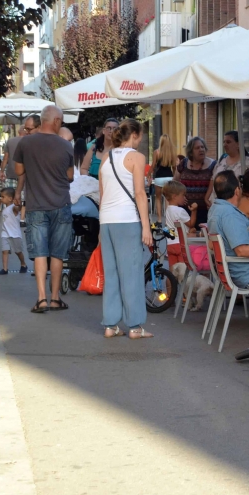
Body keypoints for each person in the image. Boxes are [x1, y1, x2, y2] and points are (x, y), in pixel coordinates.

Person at [13, 105, 74, 313]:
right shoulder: (66, 146)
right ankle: (55, 298)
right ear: (56, 121)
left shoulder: (25, 143)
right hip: (61, 204)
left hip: (36, 205)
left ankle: (41, 299)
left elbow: (19, 170)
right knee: (57, 254)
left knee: (40, 253)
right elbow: (70, 176)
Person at [97, 118, 153, 339]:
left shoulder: (105, 157)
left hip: (107, 220)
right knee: (131, 274)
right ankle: (135, 326)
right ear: (135, 135)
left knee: (111, 274)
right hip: (127, 220)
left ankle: (110, 324)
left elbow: (102, 195)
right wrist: (146, 227)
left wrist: (102, 226)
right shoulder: (136, 157)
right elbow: (140, 193)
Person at [205, 130, 249, 207]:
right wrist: (207, 198)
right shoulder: (221, 160)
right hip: (217, 204)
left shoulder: (248, 162)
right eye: (224, 142)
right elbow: (213, 179)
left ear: (238, 144)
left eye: (228, 142)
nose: (225, 145)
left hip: (238, 206)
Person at [174, 136, 215, 228]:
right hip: (185, 210)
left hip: (205, 211)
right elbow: (174, 183)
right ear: (191, 152)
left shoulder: (213, 165)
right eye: (197, 148)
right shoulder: (184, 163)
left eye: (202, 147)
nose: (201, 150)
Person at [163, 180, 197, 267]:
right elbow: (191, 224)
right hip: (181, 245)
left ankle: (170, 281)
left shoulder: (168, 210)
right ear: (174, 196)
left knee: (173, 271)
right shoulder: (180, 211)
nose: (184, 197)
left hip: (171, 244)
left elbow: (170, 227)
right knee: (182, 270)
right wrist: (194, 211)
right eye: (182, 195)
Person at [0, 188, 28, 274]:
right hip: (5, 233)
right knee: (4, 251)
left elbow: (17, 208)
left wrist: (19, 205)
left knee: (18, 252)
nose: (1, 198)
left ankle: (23, 264)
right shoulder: (5, 208)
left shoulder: (12, 208)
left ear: (10, 198)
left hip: (15, 234)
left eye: (3, 197)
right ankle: (5, 269)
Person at [151, 134, 177, 218]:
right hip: (169, 177)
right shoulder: (172, 153)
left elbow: (153, 166)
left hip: (159, 177)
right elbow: (174, 167)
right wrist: (174, 178)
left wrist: (148, 175)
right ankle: (167, 221)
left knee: (158, 199)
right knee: (167, 199)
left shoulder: (157, 152)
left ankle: (159, 220)